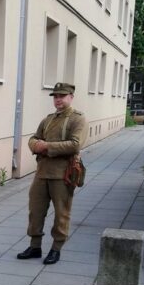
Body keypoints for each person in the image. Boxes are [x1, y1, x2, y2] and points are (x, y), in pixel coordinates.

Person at [17, 82, 88, 265]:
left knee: (61, 213)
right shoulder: (48, 119)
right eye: (55, 96)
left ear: (71, 97)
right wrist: (36, 145)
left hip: (63, 174)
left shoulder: (77, 119)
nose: (58, 100)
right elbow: (33, 138)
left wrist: (46, 146)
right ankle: (35, 246)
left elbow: (75, 144)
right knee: (35, 210)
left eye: (61, 96)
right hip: (42, 172)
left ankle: (56, 248)